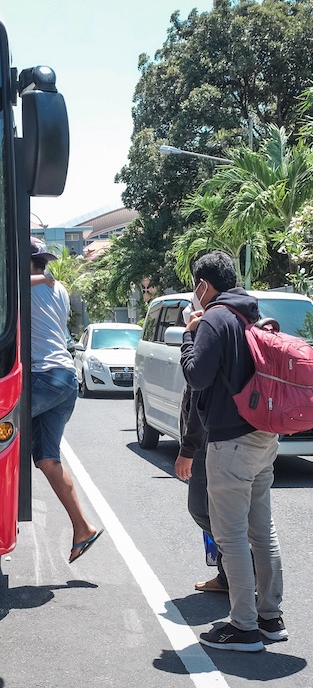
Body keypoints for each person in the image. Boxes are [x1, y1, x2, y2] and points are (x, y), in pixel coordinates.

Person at [180, 251, 285, 652]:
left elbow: (197, 376)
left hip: (231, 441)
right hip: (262, 437)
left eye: (196, 285)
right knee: (263, 531)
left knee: (232, 536)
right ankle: (270, 618)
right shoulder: (250, 314)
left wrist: (190, 333)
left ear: (204, 285)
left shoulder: (215, 318)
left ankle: (243, 627)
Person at [29, 237, 103, 564]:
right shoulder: (55, 287)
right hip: (65, 379)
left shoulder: (31, 285)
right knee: (47, 459)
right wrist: (43, 277)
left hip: (45, 376)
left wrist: (38, 277)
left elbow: (11, 280)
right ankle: (83, 527)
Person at [175, 382, 229, 595]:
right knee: (244, 515)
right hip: (245, 434)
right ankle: (233, 573)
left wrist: (188, 448)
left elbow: (200, 393)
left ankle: (239, 568)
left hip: (210, 437)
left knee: (201, 508)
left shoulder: (206, 347)